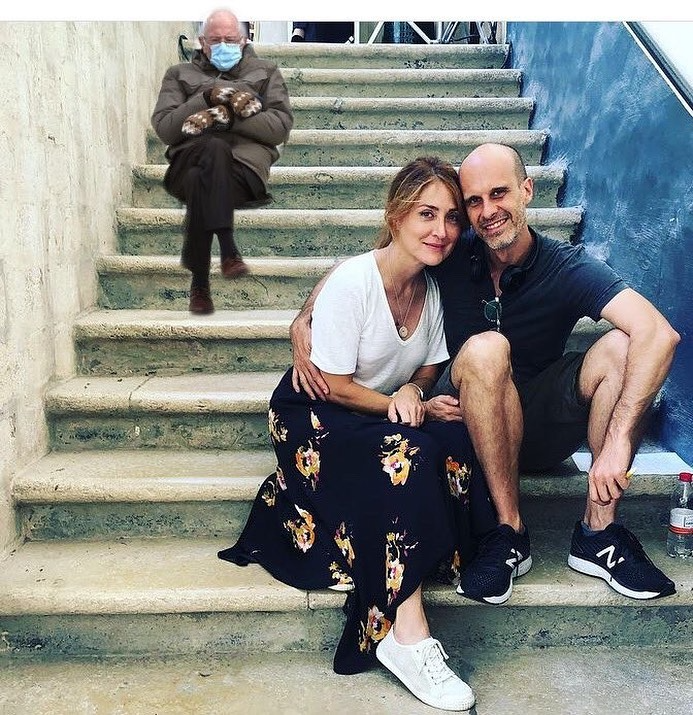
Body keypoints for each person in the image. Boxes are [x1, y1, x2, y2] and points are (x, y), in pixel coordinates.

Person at [291, 142, 680, 608]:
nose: (488, 211)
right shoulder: (450, 247)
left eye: (499, 193)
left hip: (541, 424)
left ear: (527, 190)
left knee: (622, 344)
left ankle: (599, 533)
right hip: (470, 423)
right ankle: (508, 532)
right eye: (474, 201)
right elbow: (374, 262)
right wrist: (304, 318)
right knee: (487, 348)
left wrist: (616, 444)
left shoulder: (566, 265)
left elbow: (659, 333)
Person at [219, 157, 478, 711]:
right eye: (427, 214)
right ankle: (407, 636)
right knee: (404, 455)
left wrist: (413, 391)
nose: (442, 229)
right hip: (313, 412)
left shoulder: (431, 291)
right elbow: (334, 386)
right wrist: (406, 407)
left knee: (454, 443)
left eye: (453, 217)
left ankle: (434, 556)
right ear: (395, 215)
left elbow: (430, 367)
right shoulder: (354, 282)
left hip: (371, 413)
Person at [151, 8, 293, 315]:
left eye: (230, 39)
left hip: (243, 172)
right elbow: (165, 128)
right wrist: (205, 98)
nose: (224, 45)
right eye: (216, 40)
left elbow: (279, 127)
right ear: (202, 42)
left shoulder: (266, 72)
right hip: (186, 163)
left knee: (201, 176)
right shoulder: (179, 75)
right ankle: (228, 248)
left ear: (243, 40)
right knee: (208, 153)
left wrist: (226, 118)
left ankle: (199, 283)